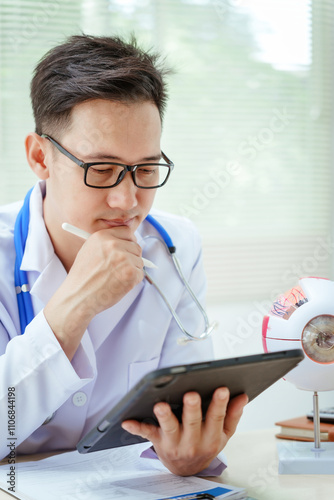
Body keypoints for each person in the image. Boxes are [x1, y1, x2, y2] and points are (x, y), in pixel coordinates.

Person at [0, 34, 247, 475]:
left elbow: (181, 412)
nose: (127, 201)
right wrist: (73, 307)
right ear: (40, 157)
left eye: (146, 169)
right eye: (103, 170)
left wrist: (186, 451)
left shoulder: (175, 246)